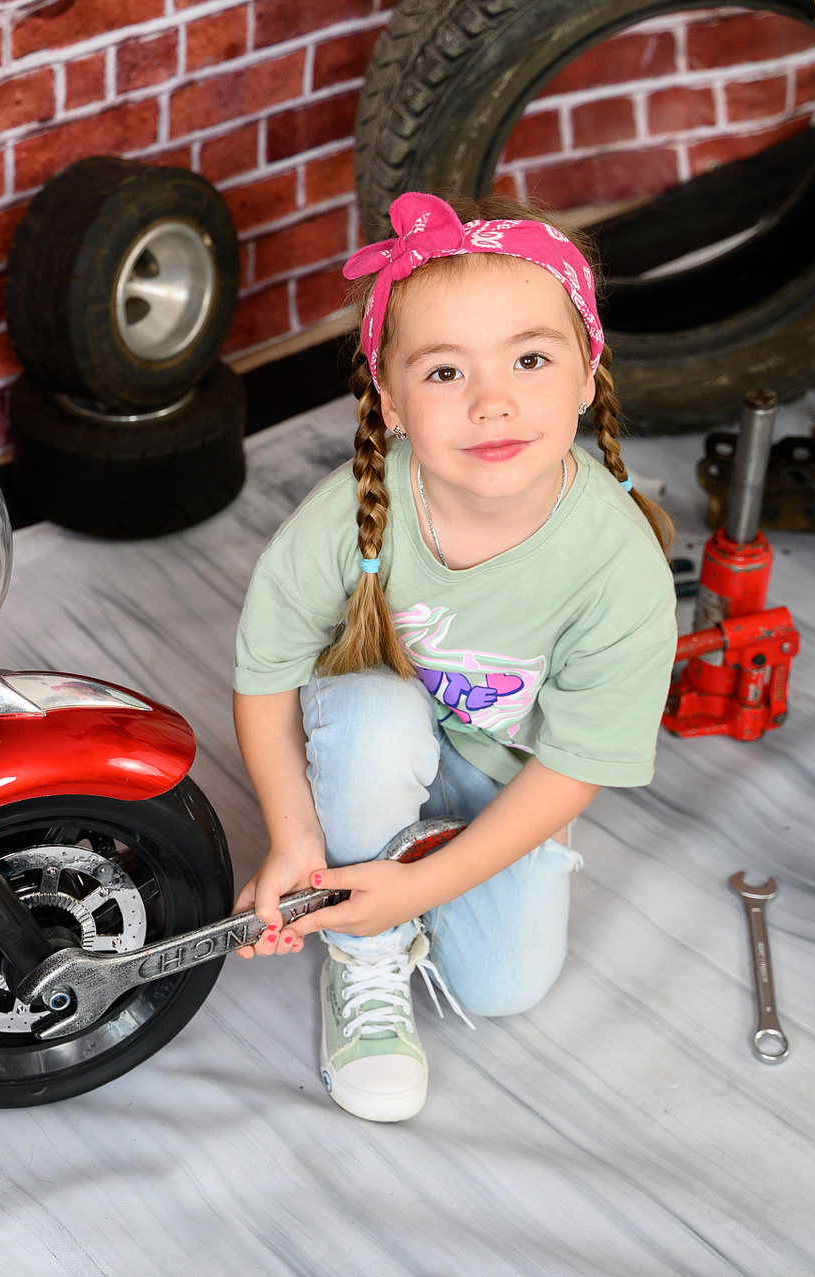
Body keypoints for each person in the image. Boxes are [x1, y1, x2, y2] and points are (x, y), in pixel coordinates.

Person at [229, 191, 677, 1122]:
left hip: (503, 768)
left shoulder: (620, 565)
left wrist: (427, 881)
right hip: (377, 732)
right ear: (391, 402)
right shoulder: (352, 514)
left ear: (587, 372)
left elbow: (575, 765)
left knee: (504, 986)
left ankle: (408, 863)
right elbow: (266, 671)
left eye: (530, 358)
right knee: (374, 716)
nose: (492, 401)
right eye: (443, 371)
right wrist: (294, 838)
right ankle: (364, 954)